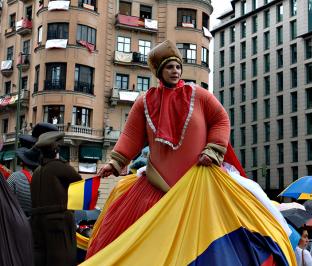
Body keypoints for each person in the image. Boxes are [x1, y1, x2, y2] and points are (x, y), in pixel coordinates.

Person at [85, 40, 295, 265]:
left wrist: (213, 149)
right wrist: (115, 162)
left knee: (252, 212)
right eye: (168, 67)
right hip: (157, 187)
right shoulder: (144, 102)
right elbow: (131, 136)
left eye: (177, 66)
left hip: (200, 185)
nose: (174, 71)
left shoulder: (200, 95)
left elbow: (221, 119)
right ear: (158, 71)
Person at [30, 131, 82, 266]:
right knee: (62, 258)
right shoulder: (59, 167)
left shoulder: (36, 172)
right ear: (55, 149)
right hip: (58, 222)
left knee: (41, 258)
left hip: (37, 223)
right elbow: (80, 185)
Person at [7, 147, 40, 217]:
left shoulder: (15, 177)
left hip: (17, 219)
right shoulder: (40, 178)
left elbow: (4, 196)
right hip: (35, 220)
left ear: (22, 163)